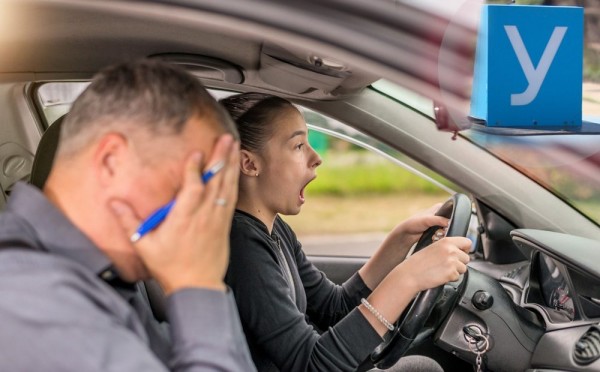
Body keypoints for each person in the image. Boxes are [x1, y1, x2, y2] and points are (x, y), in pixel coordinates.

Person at [0, 60, 256, 371]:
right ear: (111, 162)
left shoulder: (105, 279)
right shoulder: (26, 295)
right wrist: (198, 284)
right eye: (193, 186)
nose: (204, 214)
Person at [221, 92, 472, 372]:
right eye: (298, 146)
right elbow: (313, 365)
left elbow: (333, 307)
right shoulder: (241, 245)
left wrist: (401, 239)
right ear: (249, 164)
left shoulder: (274, 229)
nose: (316, 158)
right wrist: (409, 278)